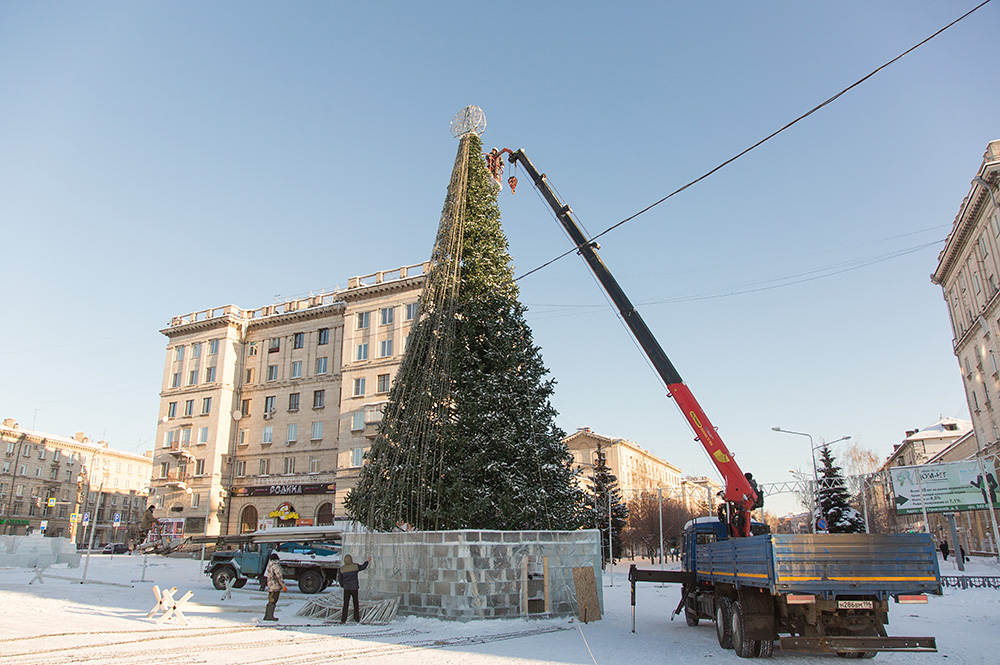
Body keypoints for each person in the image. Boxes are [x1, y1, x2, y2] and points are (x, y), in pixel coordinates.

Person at [337, 553, 370, 624]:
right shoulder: (355, 566)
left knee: (345, 604)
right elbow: (363, 567)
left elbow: (340, 579)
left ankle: (343, 620)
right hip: (354, 588)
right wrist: (367, 561)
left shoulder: (342, 569)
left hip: (346, 589)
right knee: (355, 603)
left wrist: (343, 585)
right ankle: (356, 618)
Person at [263, 552, 286, 621]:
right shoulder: (276, 566)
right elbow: (279, 577)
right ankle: (269, 616)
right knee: (273, 601)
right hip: (275, 586)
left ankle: (267, 615)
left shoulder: (270, 566)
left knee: (270, 600)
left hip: (270, 586)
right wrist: (283, 586)